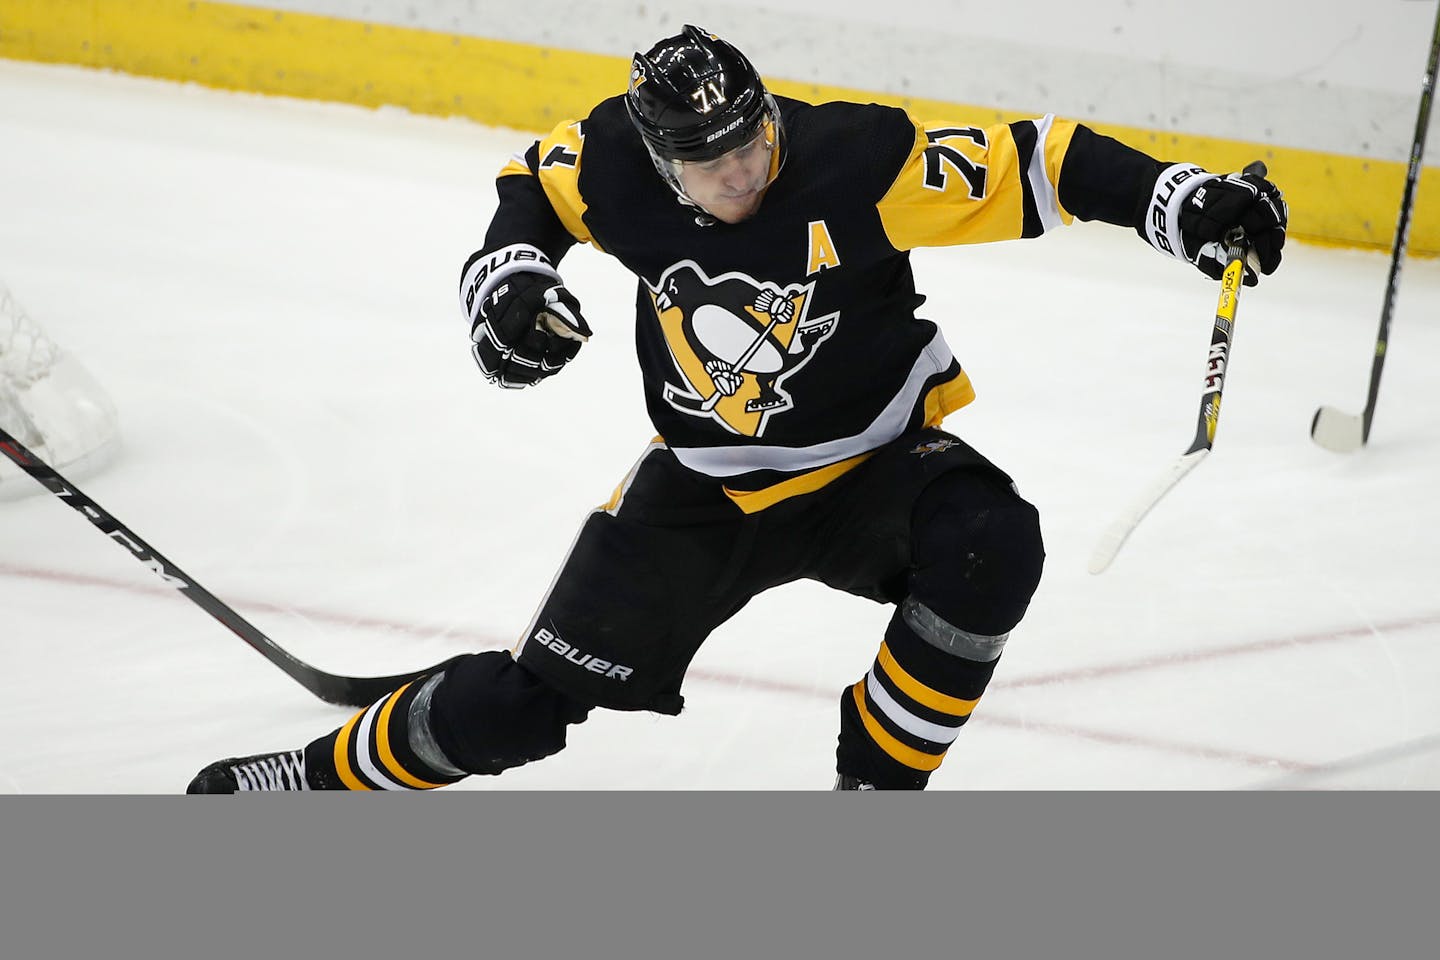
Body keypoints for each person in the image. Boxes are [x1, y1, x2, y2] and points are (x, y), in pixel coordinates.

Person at [188, 25, 1286, 792]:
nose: (743, 173)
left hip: (873, 466)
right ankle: (315, 779)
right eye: (711, 167)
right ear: (662, 164)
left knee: (992, 545)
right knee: (521, 711)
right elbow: (533, 196)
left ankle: (877, 785)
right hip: (704, 493)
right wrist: (509, 289)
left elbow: (1042, 163)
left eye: (753, 141)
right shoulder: (613, 163)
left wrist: (1186, 204)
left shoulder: (855, 161)